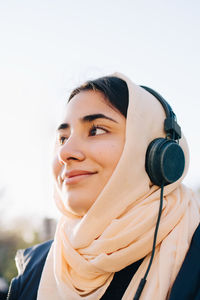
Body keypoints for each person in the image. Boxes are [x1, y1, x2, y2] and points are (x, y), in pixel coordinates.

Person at [7, 73, 200, 300]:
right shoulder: (33, 269)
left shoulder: (193, 258)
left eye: (96, 130)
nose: (65, 153)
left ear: (158, 154)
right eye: (62, 138)